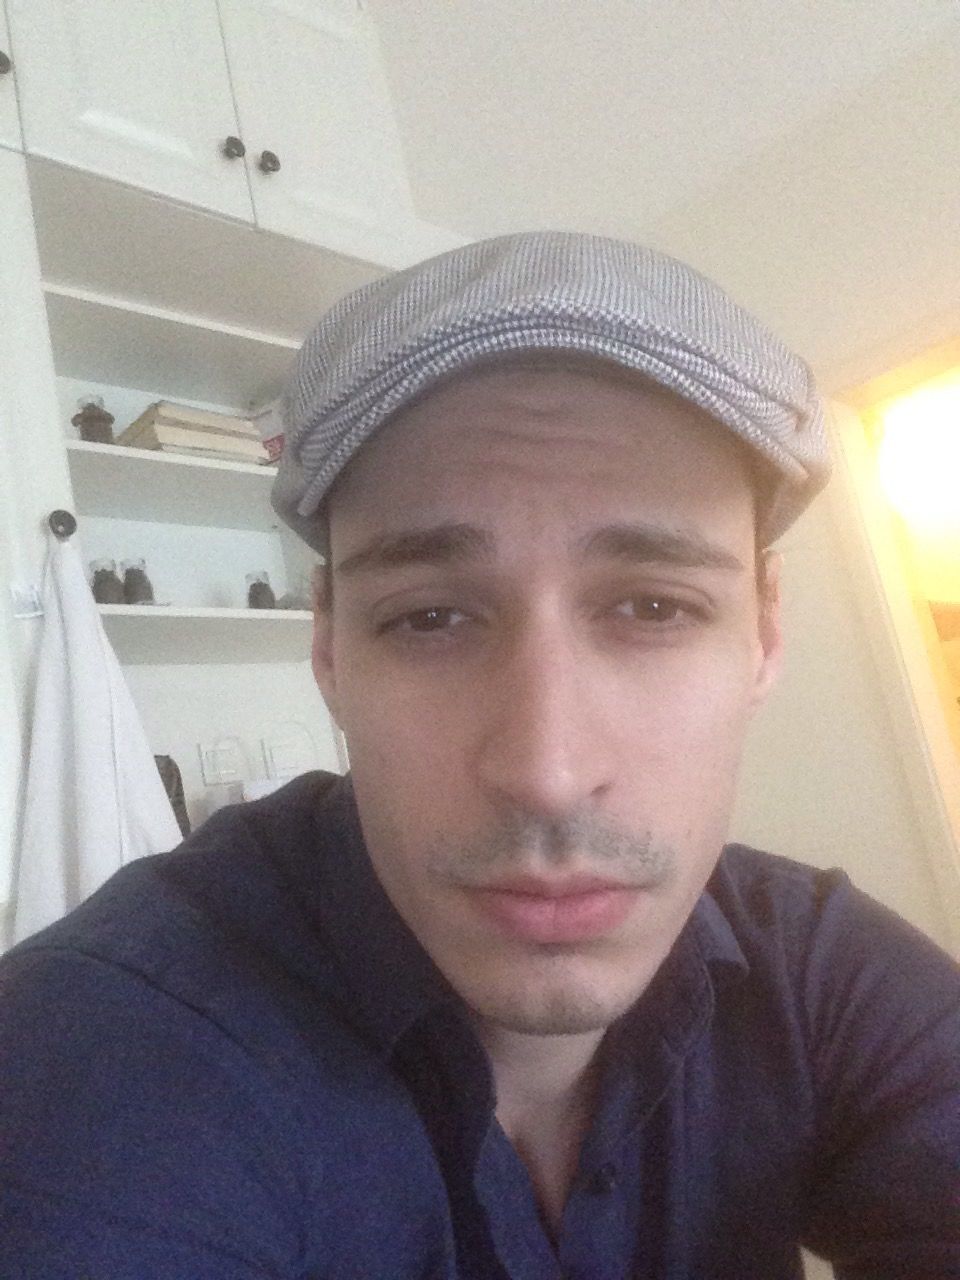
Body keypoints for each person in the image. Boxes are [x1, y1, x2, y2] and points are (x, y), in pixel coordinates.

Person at [1, 232, 958, 1279]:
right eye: (431, 617)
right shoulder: (108, 1047)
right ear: (329, 647)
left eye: (654, 606)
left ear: (764, 633)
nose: (547, 771)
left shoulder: (816, 973)